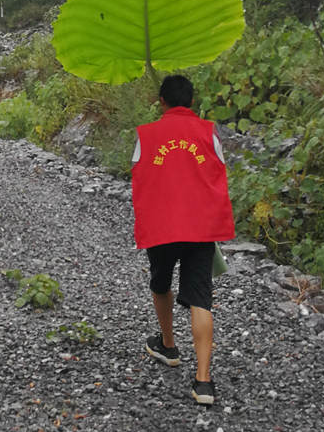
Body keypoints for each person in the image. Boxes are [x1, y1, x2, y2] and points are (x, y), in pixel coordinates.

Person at [131, 75, 235, 406]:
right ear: (191, 102)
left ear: (161, 101)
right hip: (201, 227)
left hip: (163, 226)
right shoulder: (209, 132)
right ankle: (203, 382)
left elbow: (139, 174)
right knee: (201, 297)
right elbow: (219, 171)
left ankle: (169, 345)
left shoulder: (145, 135)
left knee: (160, 284)